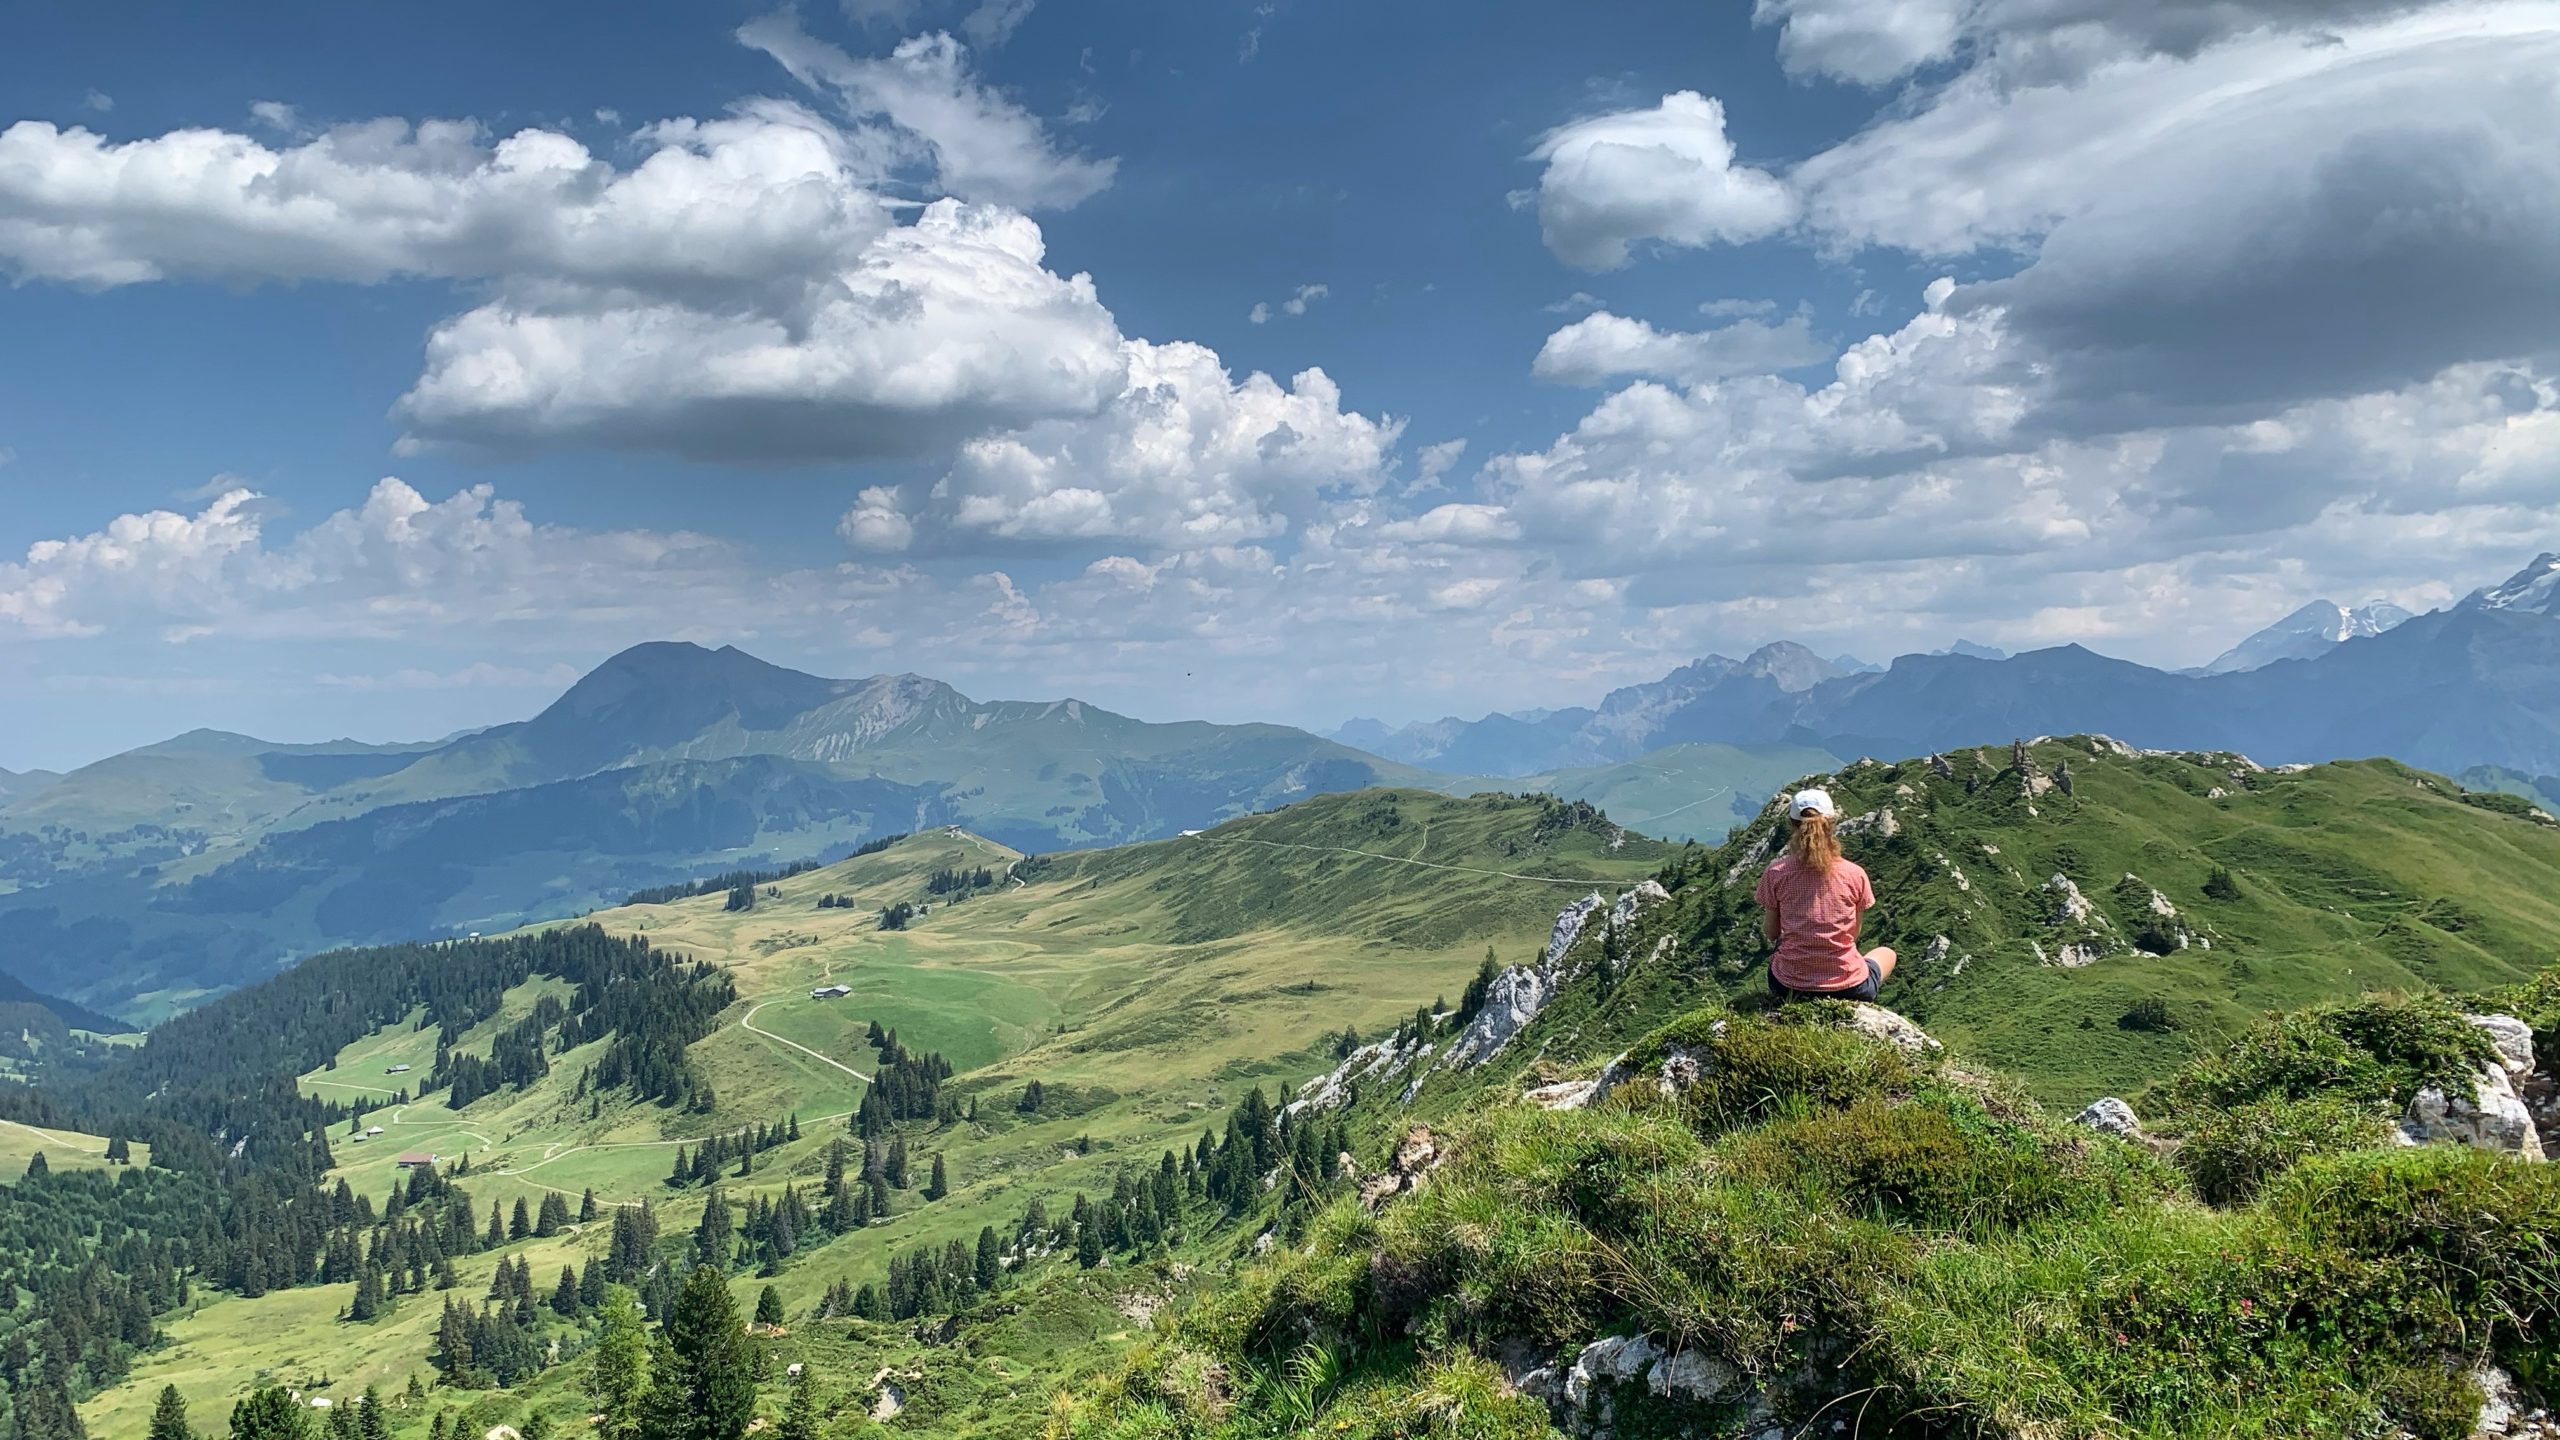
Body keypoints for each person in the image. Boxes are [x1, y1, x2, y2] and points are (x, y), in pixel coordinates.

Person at [1755, 787, 1895, 1001]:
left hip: (1789, 986)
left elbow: (1772, 932)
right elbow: (1853, 934)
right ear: (1832, 824)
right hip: (1849, 987)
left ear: (1793, 826)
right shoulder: (1855, 874)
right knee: (1887, 954)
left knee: (1781, 952)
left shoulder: (1776, 873)